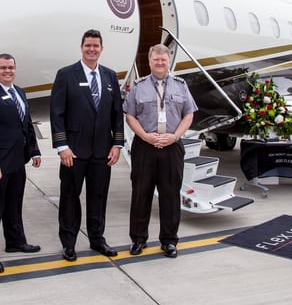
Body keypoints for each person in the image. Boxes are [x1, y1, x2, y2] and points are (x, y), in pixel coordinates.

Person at [50, 29, 125, 261]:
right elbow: (57, 113)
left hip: (102, 152)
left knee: (98, 197)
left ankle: (97, 239)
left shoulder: (110, 76)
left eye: (96, 46)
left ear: (101, 49)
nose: (92, 49)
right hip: (74, 151)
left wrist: (117, 144)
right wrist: (62, 146)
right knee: (70, 198)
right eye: (88, 45)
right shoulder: (66, 74)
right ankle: (69, 243)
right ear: (81, 47)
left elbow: (117, 114)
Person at [123, 44, 197, 259]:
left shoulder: (181, 86)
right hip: (145, 147)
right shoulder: (138, 86)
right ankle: (138, 239)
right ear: (150, 61)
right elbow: (130, 116)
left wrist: (175, 136)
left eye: (163, 60)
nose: (160, 63)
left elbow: (189, 115)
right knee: (141, 194)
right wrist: (145, 136)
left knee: (170, 195)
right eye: (156, 60)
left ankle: (169, 241)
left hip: (171, 147)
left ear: (168, 60)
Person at [0, 53, 42, 274]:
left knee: (13, 206)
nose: (7, 71)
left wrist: (35, 150)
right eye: (3, 68)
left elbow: (27, 124)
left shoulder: (19, 92)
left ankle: (15, 241)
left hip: (17, 161)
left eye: (11, 67)